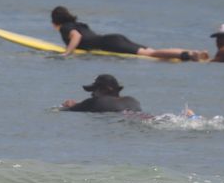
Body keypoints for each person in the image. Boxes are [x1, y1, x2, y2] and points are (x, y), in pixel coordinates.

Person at [51, 6, 208, 61]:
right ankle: (192, 52)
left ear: (55, 21)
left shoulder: (65, 27)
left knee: (151, 54)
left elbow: (76, 36)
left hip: (110, 43)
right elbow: (80, 34)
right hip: (113, 38)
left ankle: (189, 55)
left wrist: (67, 53)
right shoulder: (78, 24)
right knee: (152, 51)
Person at [61, 74, 142, 113]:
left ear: (105, 90)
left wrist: (70, 106)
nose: (92, 94)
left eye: (94, 90)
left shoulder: (94, 102)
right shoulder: (132, 100)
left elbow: (66, 109)